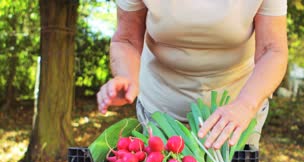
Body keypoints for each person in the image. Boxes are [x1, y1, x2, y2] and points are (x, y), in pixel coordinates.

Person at [97, 0, 288, 150]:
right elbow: (127, 39)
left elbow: (272, 50)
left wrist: (245, 105)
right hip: (160, 108)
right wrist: (127, 77)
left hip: (236, 111)